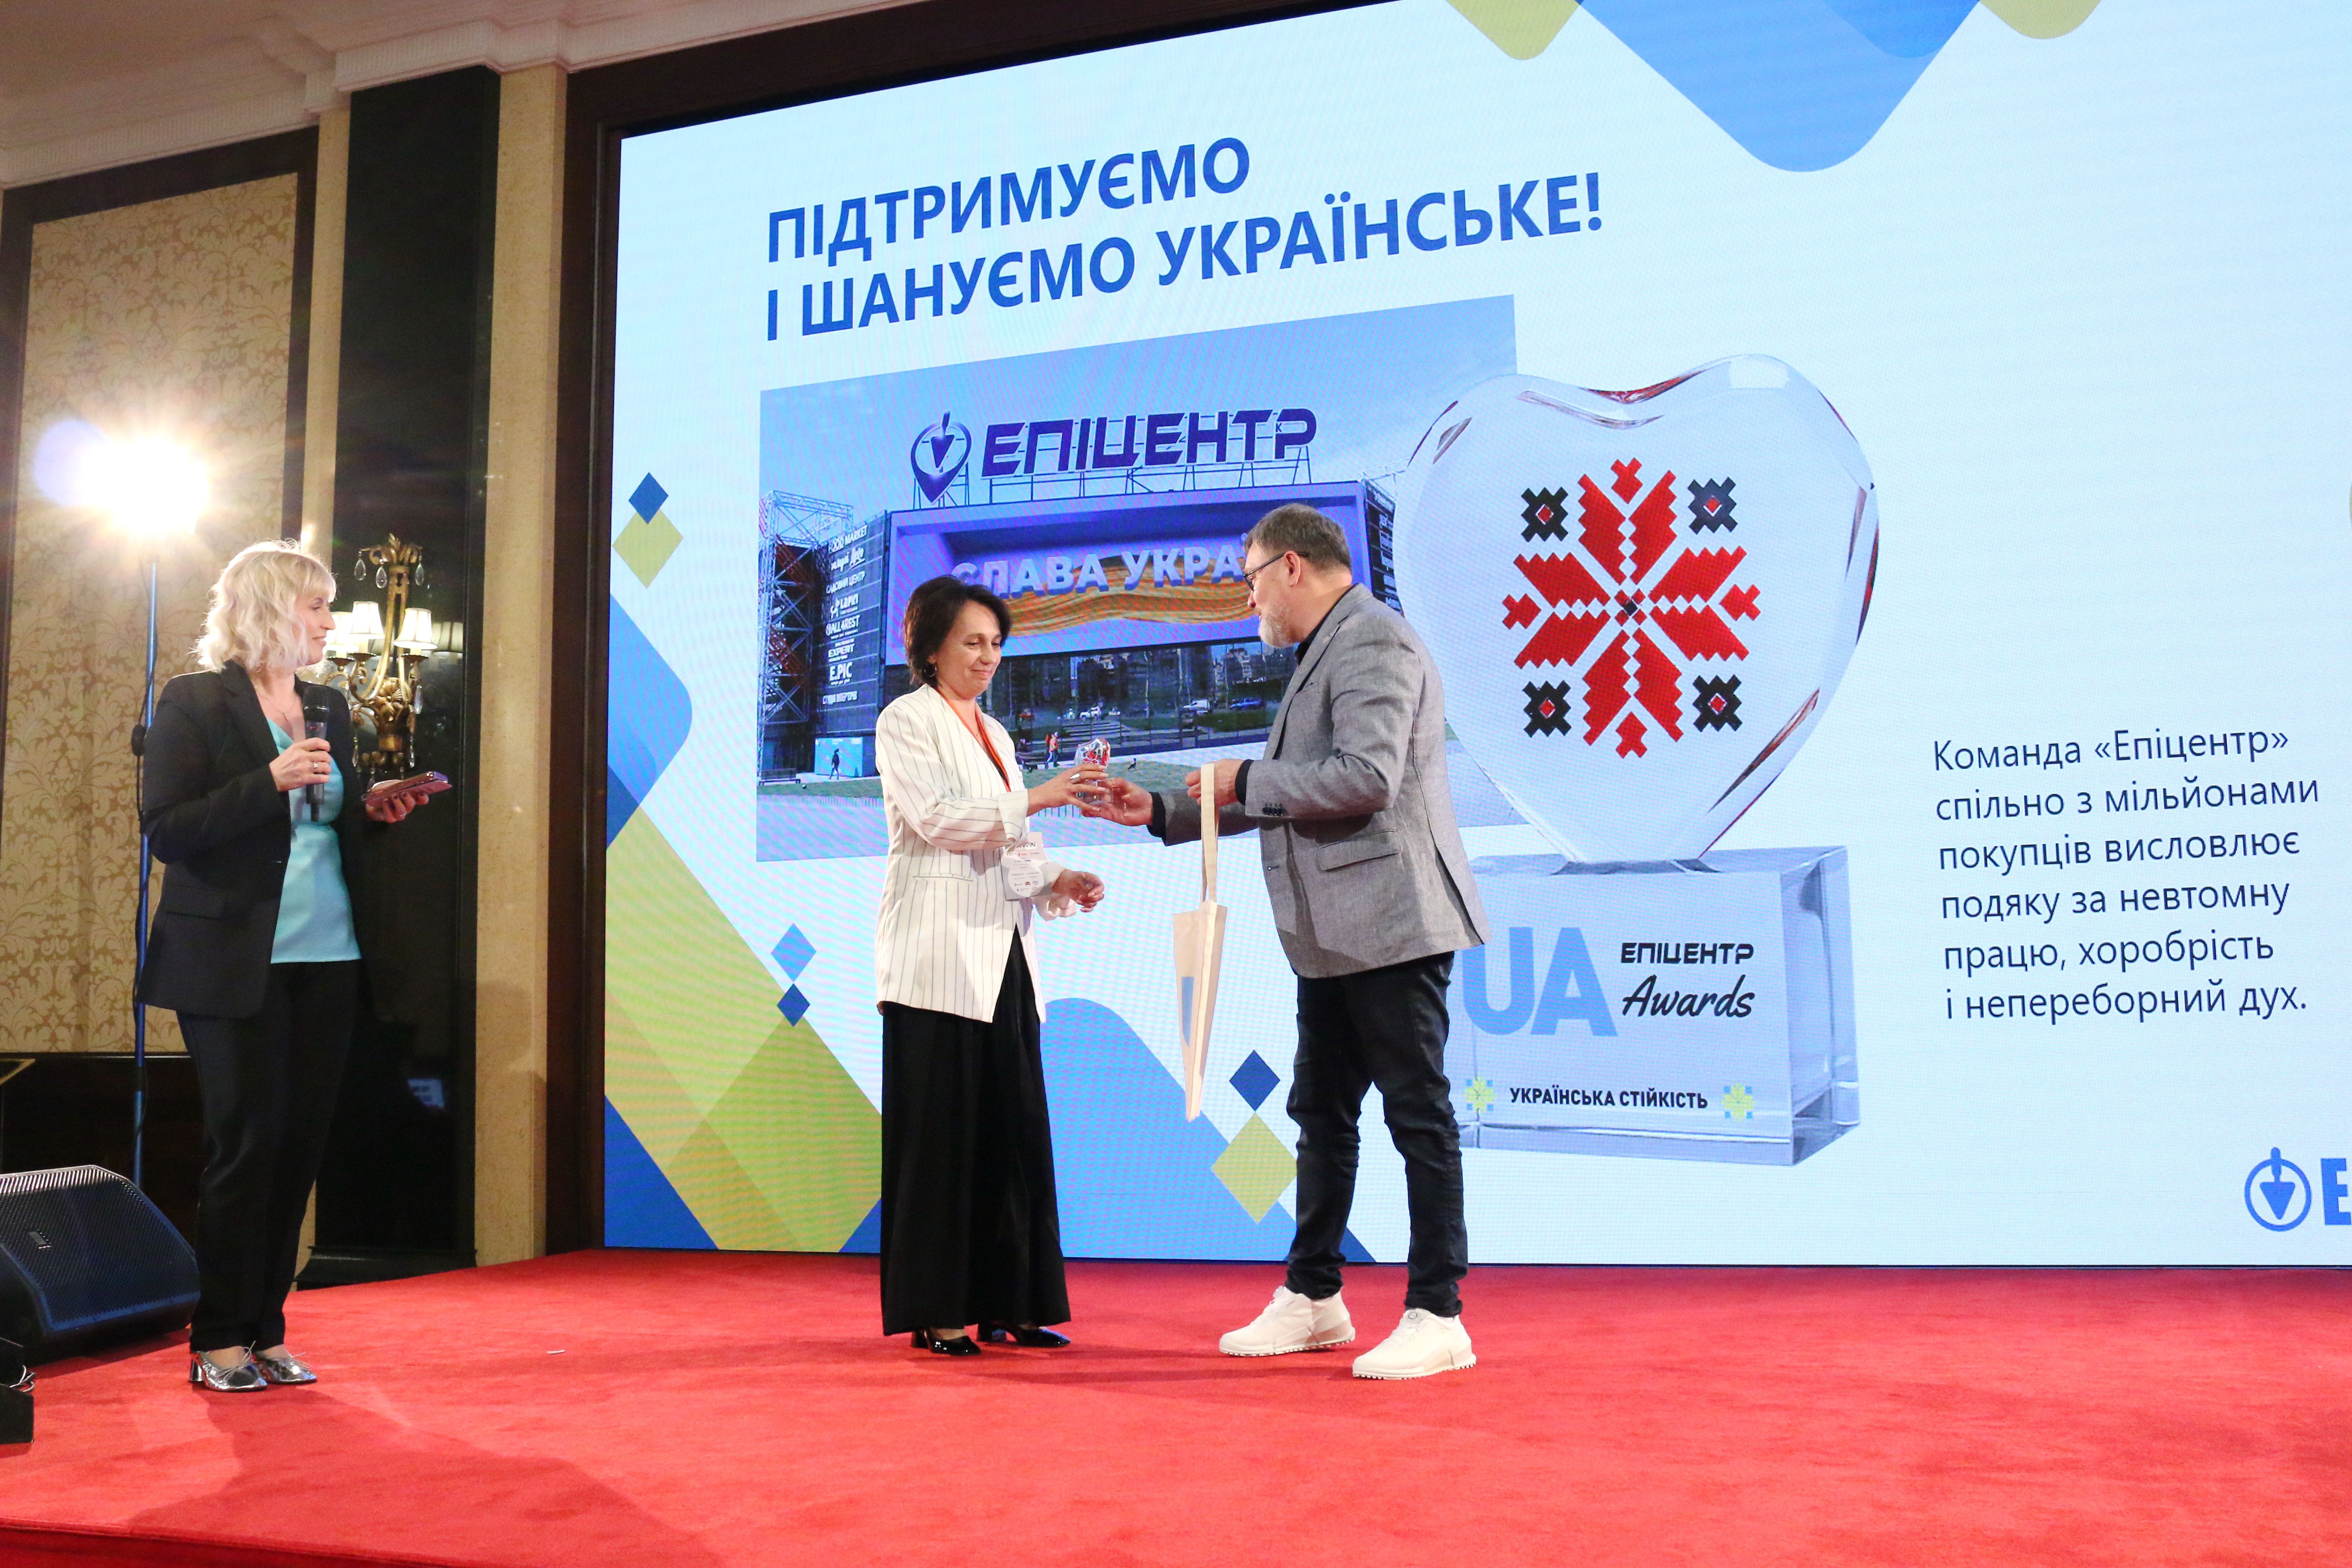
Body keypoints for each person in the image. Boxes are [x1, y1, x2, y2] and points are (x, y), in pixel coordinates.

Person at [1083, 504, 1489, 1381]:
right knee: (1321, 1116)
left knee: (1416, 1115)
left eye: (1252, 578)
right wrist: (1162, 809)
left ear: (1294, 567)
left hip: (1392, 922)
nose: (1249, 597)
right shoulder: (1326, 648)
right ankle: (1314, 1298)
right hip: (1333, 933)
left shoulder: (1373, 639)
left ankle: (1438, 1312)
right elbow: (1292, 791)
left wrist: (1245, 776)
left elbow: (1366, 779)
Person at [137, 541, 432, 1393]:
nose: (330, 623)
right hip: (234, 961)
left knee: (299, 1149)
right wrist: (266, 778)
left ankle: (266, 1330)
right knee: (248, 1145)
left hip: (329, 954)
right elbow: (168, 830)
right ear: (270, 608)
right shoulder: (195, 700)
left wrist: (374, 811)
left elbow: (321, 825)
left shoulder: (327, 704)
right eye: (317, 606)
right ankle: (218, 1339)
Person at [874, 576, 1107, 1356]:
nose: (987, 656)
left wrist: (1059, 880)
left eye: (996, 643)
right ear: (930, 647)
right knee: (942, 1143)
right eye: (972, 642)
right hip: (936, 963)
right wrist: (1038, 798)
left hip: (1005, 959)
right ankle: (939, 1311)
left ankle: (1014, 1303)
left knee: (1014, 1134)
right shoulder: (905, 720)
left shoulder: (998, 736)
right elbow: (939, 821)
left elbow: (1013, 847)